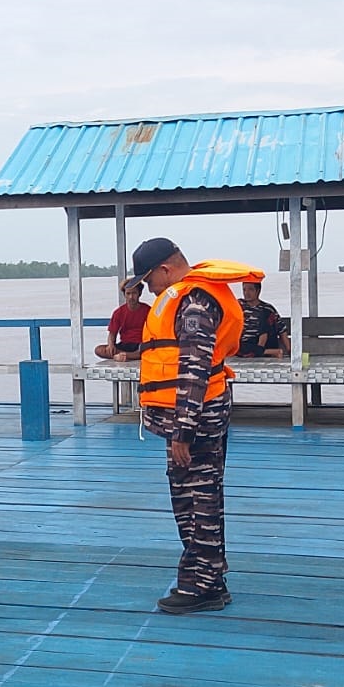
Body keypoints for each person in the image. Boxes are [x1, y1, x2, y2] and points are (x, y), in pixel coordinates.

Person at [125, 237, 263, 615]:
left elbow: (194, 369)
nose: (148, 288)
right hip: (189, 419)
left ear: (166, 269)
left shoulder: (194, 302)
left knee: (198, 502)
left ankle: (202, 586)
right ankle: (207, 580)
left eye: (148, 278)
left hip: (195, 422)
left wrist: (182, 431)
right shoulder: (186, 297)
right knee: (191, 500)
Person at [95, 281, 148, 360]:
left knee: (149, 351)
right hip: (125, 345)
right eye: (128, 293)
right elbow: (112, 334)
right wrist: (111, 345)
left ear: (139, 294)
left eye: (134, 293)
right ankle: (128, 355)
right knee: (99, 350)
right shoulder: (118, 312)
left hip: (141, 344)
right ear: (124, 295)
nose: (131, 297)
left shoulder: (148, 310)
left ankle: (126, 356)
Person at [235, 281, 290, 358]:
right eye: (244, 290)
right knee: (236, 347)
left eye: (250, 289)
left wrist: (289, 350)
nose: (246, 293)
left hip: (265, 343)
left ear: (258, 291)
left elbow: (282, 330)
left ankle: (260, 350)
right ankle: (263, 351)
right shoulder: (239, 306)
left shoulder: (268, 308)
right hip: (247, 345)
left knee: (266, 313)